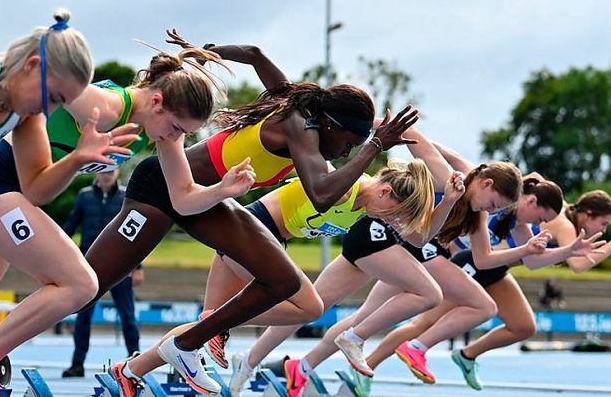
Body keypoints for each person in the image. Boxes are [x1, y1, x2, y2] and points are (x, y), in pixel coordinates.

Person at [83, 39, 419, 395]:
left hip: (209, 202)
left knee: (286, 286)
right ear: (331, 124)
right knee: (86, 287)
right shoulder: (299, 126)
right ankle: (22, 326)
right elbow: (321, 195)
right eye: (348, 143)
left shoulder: (296, 108)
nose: (345, 152)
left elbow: (255, 55)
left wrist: (208, 50)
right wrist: (374, 147)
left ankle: (186, 344)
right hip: (162, 188)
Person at [0, 9, 140, 396]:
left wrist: (76, 158)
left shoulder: (27, 116)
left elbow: (36, 191)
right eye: (53, 97)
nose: (50, 111)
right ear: (33, 65)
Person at [361, 144, 606, 392]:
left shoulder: (524, 220)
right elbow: (575, 265)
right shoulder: (547, 216)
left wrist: (564, 250)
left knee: (523, 325)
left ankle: (466, 356)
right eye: (604, 223)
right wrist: (411, 139)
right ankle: (369, 364)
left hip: (494, 269)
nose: (541, 225)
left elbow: (531, 261)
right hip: (466, 262)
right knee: (425, 323)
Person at [227, 167, 465, 397]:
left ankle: (249, 361)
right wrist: (376, 134)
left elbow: (419, 239)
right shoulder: (365, 190)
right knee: (429, 294)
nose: (392, 219)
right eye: (493, 204)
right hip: (368, 239)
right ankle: (353, 338)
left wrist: (448, 201)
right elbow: (317, 164)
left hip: (362, 236)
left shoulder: (382, 202)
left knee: (311, 308)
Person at [61, 170, 142, 378]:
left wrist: (138, 267)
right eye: (103, 171)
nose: (107, 175)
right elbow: (69, 227)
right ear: (97, 173)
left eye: (111, 171)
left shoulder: (127, 197)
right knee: (83, 317)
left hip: (120, 265)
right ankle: (77, 363)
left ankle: (136, 363)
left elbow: (139, 234)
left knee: (127, 315)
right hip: (88, 267)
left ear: (118, 172)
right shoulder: (84, 195)